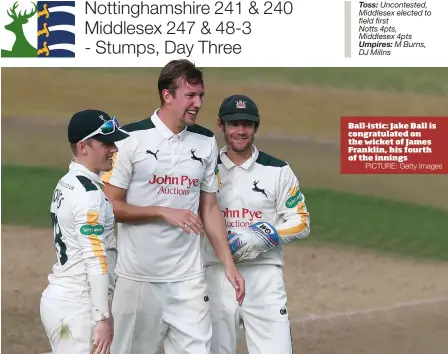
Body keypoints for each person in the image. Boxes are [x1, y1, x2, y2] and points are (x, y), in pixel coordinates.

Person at [100, 59, 245, 354]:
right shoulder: (130, 140)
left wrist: (229, 265)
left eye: (200, 95)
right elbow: (109, 206)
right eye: (190, 95)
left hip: (187, 281)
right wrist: (162, 211)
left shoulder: (205, 142)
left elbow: (210, 208)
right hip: (138, 279)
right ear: (167, 95)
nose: (198, 103)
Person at [201, 94, 311, 354]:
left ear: (256, 127)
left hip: (264, 276)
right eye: (234, 124)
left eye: (247, 125)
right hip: (216, 275)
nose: (241, 131)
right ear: (221, 124)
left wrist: (264, 235)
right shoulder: (205, 167)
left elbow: (301, 221)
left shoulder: (278, 170)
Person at [40, 109, 130, 354]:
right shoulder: (88, 194)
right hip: (78, 306)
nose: (114, 149)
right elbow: (95, 258)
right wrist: (101, 316)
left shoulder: (66, 183)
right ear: (83, 146)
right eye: (106, 143)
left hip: (65, 301)